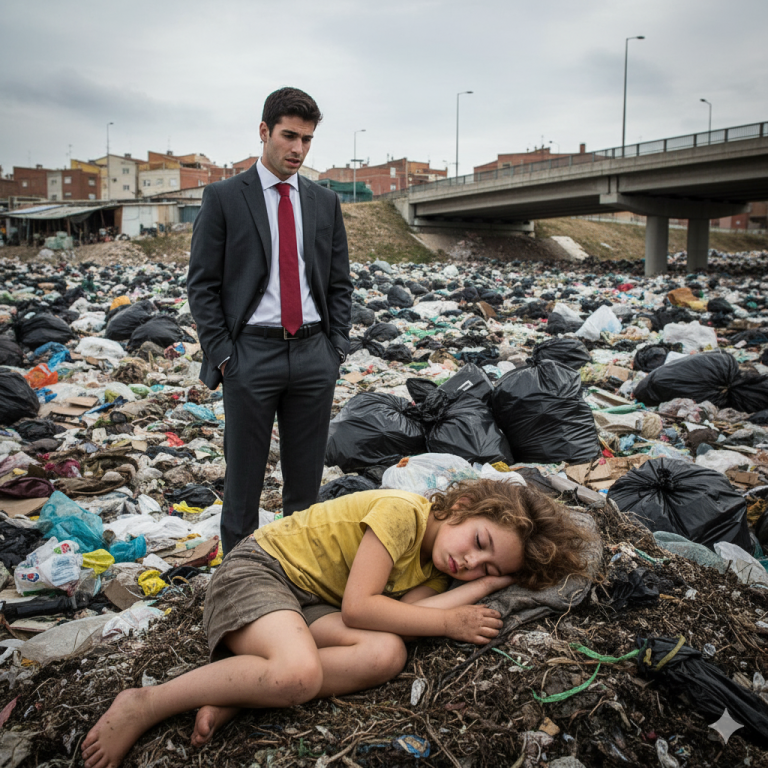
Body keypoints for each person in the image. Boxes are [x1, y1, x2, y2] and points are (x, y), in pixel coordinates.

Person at [81, 479, 596, 768]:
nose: (470, 564)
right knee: (297, 675)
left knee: (386, 654)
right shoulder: (402, 514)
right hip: (262, 572)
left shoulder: (441, 566)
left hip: (309, 604)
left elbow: (409, 618)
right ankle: (146, 703)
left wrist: (481, 589)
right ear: (462, 507)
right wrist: (453, 622)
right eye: (479, 545)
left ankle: (238, 691)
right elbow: (360, 610)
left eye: (489, 569)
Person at [187, 87, 353, 555]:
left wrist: (336, 348)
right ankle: (239, 586)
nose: (297, 149)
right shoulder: (224, 197)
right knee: (242, 485)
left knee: (305, 488)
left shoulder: (324, 202)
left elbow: (339, 282)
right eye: (288, 136)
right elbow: (202, 284)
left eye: (306, 140)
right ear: (264, 131)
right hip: (249, 356)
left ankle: (299, 577)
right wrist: (223, 355)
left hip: (313, 354)